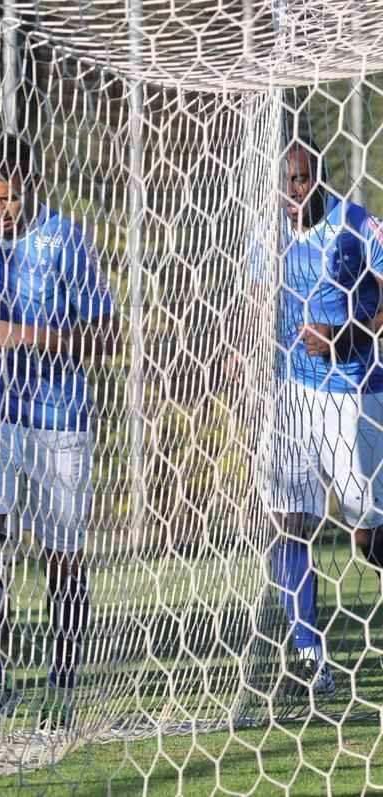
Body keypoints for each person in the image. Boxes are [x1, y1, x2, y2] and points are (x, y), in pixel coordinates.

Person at [0, 133, 119, 731]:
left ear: (35, 188)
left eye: (13, 198)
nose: (2, 210)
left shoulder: (67, 240)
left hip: (58, 419)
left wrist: (26, 336)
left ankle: (62, 683)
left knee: (63, 559)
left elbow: (106, 337)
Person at [248, 136, 383, 699]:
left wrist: (343, 337)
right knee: (287, 519)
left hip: (351, 391)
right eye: (284, 183)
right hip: (289, 394)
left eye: (301, 180)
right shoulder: (269, 232)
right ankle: (308, 655)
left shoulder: (358, 224)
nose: (292, 193)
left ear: (320, 179)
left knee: (366, 532)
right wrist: (248, 354)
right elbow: (259, 297)